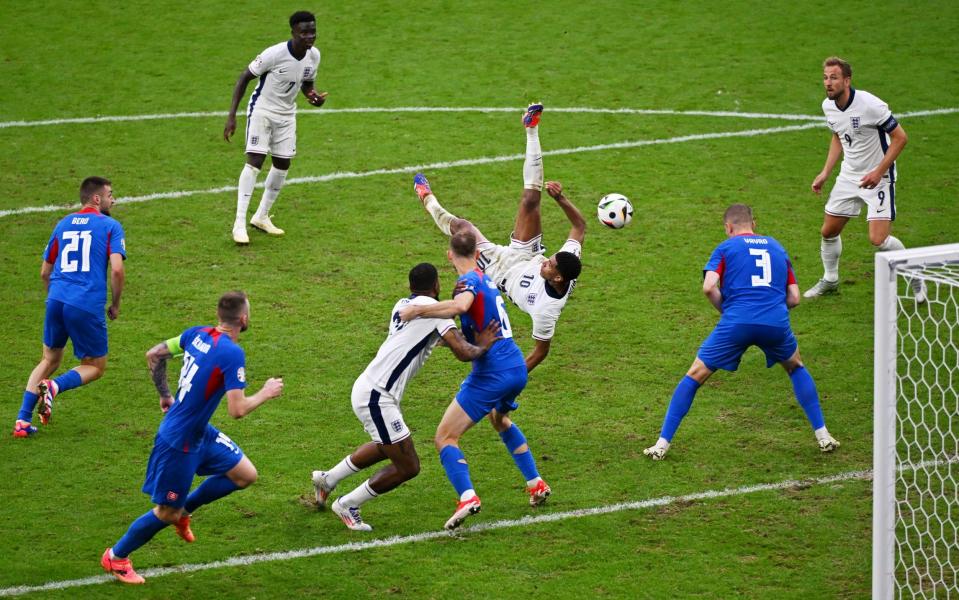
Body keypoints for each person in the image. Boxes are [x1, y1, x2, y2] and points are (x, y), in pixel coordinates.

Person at [101, 291, 283, 585]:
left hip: (199, 431)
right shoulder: (232, 353)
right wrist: (266, 392)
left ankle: (185, 510)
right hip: (178, 442)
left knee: (245, 475)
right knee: (165, 512)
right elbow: (237, 410)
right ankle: (117, 556)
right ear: (244, 319)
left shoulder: (196, 333)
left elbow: (154, 354)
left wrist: (165, 395)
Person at [311, 263, 501, 531]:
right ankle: (348, 504)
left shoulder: (403, 304)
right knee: (408, 465)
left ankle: (327, 479)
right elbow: (463, 352)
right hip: (378, 396)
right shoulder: (436, 314)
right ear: (436, 285)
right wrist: (483, 343)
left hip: (369, 387)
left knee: (385, 445)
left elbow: (434, 339)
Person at [643, 204, 840, 461]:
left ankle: (661, 444)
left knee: (695, 375)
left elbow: (708, 287)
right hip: (775, 322)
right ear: (753, 224)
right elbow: (794, 298)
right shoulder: (777, 247)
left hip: (736, 322)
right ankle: (823, 435)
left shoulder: (725, 248)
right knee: (795, 367)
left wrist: (727, 311)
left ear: (728, 227)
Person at [412, 104, 585, 372]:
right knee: (531, 200)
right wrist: (560, 199)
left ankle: (427, 199)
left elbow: (540, 352)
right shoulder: (565, 262)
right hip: (523, 253)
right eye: (549, 259)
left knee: (461, 226)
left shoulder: (546, 311)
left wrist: (512, 379)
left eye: (549, 266)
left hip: (498, 271)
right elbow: (579, 227)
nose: (546, 263)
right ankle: (531, 127)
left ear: (558, 278)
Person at [399, 231, 551, 531]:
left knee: (445, 437)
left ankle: (467, 497)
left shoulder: (467, 282)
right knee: (500, 420)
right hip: (516, 368)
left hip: (491, 373)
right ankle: (536, 483)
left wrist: (417, 309)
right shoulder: (487, 277)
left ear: (449, 254)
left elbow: (460, 307)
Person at [13, 177, 126, 438]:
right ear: (97, 199)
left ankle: (21, 421)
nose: (113, 199)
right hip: (85, 303)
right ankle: (53, 387)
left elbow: (45, 272)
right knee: (95, 366)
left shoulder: (62, 224)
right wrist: (116, 304)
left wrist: (53, 299)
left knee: (49, 358)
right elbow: (117, 270)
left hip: (56, 299)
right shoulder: (110, 225)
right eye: (110, 194)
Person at [805, 56, 924, 301]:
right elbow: (838, 135)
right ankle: (830, 279)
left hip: (879, 177)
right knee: (828, 231)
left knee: (878, 239)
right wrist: (826, 172)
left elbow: (901, 138)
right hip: (849, 176)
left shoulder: (870, 105)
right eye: (825, 78)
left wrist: (879, 171)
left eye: (834, 77)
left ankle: (915, 273)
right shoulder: (828, 107)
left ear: (847, 80)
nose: (828, 82)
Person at [223, 10, 328, 245]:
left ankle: (261, 217)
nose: (309, 36)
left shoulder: (314, 56)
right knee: (255, 161)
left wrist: (313, 96)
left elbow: (306, 82)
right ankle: (239, 223)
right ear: (293, 32)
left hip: (287, 114)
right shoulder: (275, 53)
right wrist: (232, 116)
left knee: (282, 163)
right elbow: (244, 77)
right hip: (262, 110)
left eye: (313, 31)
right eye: (304, 32)